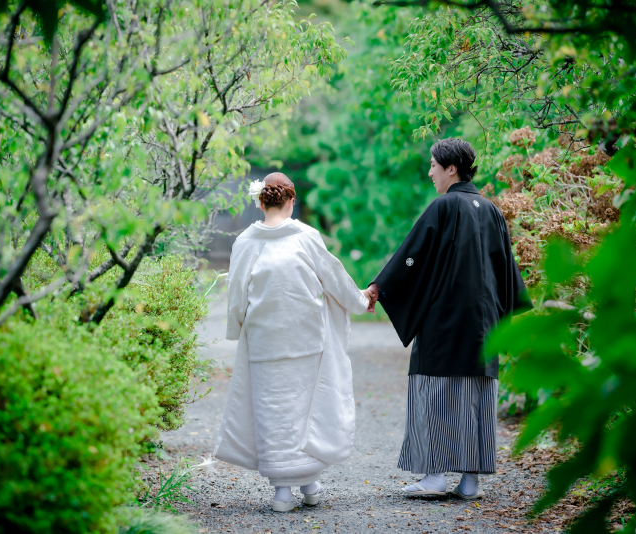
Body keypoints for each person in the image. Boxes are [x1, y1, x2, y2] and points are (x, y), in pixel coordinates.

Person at [367, 138, 532, 500]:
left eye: (433, 165)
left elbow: (412, 256)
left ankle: (434, 475)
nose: (430, 173)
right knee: (476, 393)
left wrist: (380, 286)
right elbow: (507, 271)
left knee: (435, 390)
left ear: (451, 168)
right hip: (483, 322)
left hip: (443, 317)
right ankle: (470, 481)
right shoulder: (491, 210)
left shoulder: (443, 207)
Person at [213, 172, 374, 512]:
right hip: (306, 338)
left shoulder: (245, 241)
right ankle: (307, 483)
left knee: (273, 412)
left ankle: (286, 491)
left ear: (260, 202)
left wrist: (238, 326)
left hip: (265, 340)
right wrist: (361, 300)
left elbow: (237, 292)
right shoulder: (306, 236)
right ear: (291, 201)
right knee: (306, 411)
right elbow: (334, 277)